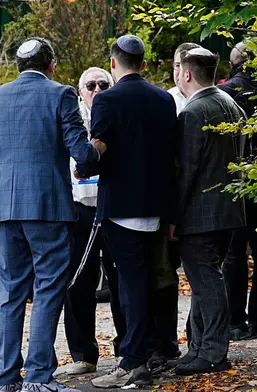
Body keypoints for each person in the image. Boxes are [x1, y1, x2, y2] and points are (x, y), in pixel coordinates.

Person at [0, 37, 105, 392]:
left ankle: (6, 380)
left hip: (3, 205)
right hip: (47, 205)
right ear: (51, 65)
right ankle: (38, 377)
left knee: (11, 292)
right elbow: (80, 152)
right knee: (49, 288)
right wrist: (99, 148)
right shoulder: (60, 94)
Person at [85, 34, 176, 388]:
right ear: (143, 63)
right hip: (156, 205)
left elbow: (98, 151)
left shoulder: (107, 101)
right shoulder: (163, 99)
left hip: (121, 206)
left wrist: (85, 165)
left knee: (131, 286)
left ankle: (134, 359)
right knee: (153, 282)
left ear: (113, 63)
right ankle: (153, 350)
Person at [169, 47, 246, 376]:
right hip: (230, 211)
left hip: (200, 216)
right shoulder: (232, 106)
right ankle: (199, 347)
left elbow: (185, 170)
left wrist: (173, 216)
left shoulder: (192, 113)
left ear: (186, 74)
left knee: (207, 285)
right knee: (206, 283)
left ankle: (212, 352)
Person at [61, 67, 126, 376]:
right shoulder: (70, 121)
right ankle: (83, 354)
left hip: (114, 208)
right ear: (80, 91)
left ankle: (127, 347)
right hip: (79, 210)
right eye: (91, 85)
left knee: (120, 281)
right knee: (77, 283)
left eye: (104, 84)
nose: (97, 89)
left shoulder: (117, 117)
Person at [219, 42, 257, 340]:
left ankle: (235, 322)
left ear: (234, 63)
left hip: (237, 179)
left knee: (235, 254)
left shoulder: (227, 93)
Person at [167, 43, 201, 114]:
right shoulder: (167, 98)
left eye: (187, 66)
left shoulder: (211, 99)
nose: (182, 72)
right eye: (177, 65)